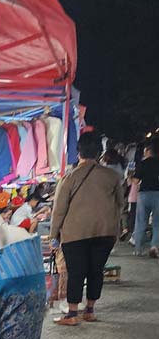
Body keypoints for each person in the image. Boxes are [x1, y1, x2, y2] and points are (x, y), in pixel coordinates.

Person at [50, 131, 123, 325]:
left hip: (75, 233)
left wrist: (53, 236)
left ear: (78, 151)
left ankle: (72, 314)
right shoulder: (112, 176)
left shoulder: (70, 177)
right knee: (95, 270)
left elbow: (59, 210)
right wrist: (115, 229)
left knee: (76, 271)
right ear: (99, 152)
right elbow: (119, 205)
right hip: (105, 232)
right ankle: (90, 310)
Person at [132, 139, 159, 257]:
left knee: (141, 222)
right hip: (157, 194)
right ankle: (154, 246)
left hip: (143, 194)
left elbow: (136, 181)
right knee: (157, 223)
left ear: (148, 151)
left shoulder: (142, 163)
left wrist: (130, 178)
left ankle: (138, 249)